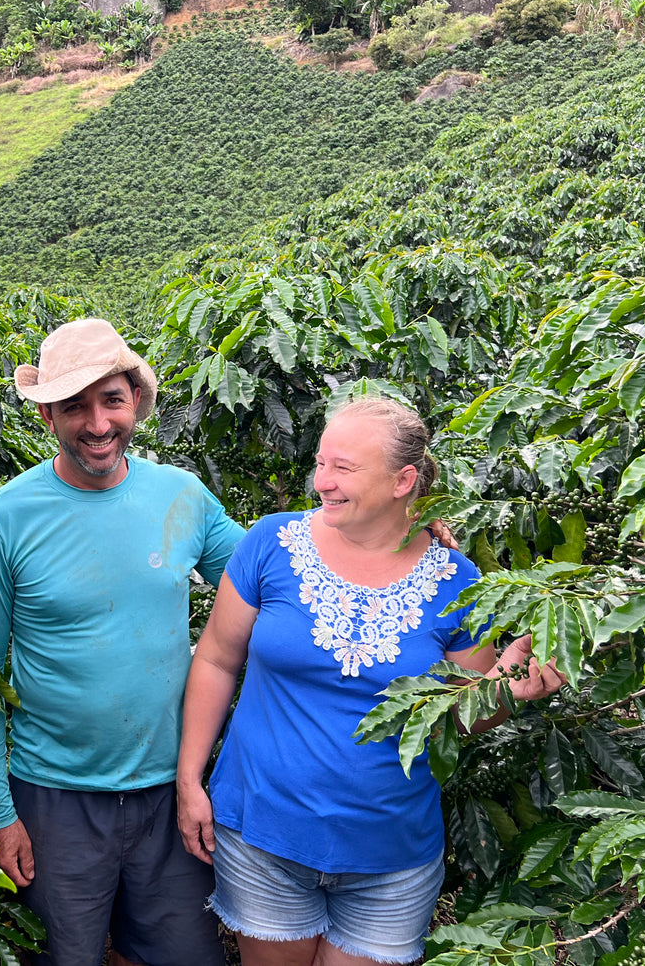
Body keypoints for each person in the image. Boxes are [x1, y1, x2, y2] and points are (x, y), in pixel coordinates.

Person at [176, 397, 564, 966]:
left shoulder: (458, 580)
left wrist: (509, 688)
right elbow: (215, 660)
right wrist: (190, 778)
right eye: (321, 463)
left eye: (344, 468)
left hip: (391, 855)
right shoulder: (270, 543)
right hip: (264, 833)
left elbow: (464, 710)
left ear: (403, 480)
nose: (322, 482)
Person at [0, 318, 246, 966]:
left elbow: (266, 570)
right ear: (47, 417)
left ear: (136, 403)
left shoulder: (181, 496)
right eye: (74, 406)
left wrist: (377, 529)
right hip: (53, 799)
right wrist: (0, 813)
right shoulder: (2, 521)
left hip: (170, 794)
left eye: (111, 401)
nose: (96, 424)